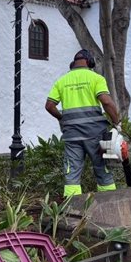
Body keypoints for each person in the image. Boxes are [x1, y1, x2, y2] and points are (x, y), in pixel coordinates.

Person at [45, 49, 121, 196]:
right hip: (96, 134)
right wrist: (117, 123)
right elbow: (107, 102)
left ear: (73, 64)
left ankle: (72, 210)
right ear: (90, 62)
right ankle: (108, 204)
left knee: (72, 173)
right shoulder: (96, 78)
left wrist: (63, 118)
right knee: (103, 169)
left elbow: (49, 106)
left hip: (72, 135)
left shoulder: (62, 81)